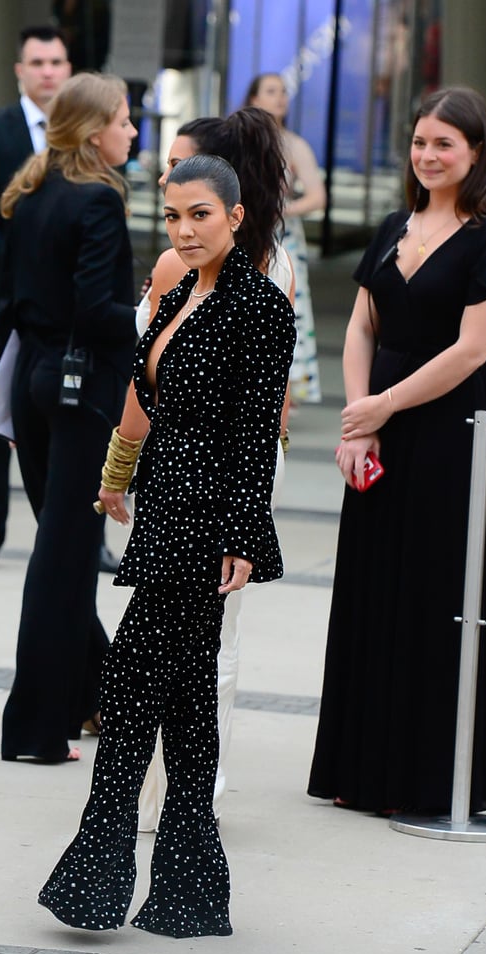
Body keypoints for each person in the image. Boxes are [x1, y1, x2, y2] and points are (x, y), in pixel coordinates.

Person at [37, 154, 296, 937]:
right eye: (174, 216)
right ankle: (187, 892)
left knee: (131, 687)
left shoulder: (259, 307)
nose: (184, 230)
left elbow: (258, 430)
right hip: (165, 505)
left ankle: (103, 877)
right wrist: (119, 475)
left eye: (200, 216)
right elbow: (147, 398)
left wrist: (245, 533)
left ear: (236, 217)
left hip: (205, 516)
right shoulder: (180, 291)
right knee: (181, 704)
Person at [307, 86, 486, 817]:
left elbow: (469, 353)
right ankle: (360, 770)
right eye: (420, 142)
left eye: (444, 145)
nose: (428, 156)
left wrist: (384, 406)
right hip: (380, 425)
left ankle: (425, 780)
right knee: (370, 590)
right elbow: (361, 326)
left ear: (474, 155)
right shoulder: (393, 225)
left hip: (445, 434)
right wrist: (358, 421)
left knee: (432, 601)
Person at [134, 109, 293, 830]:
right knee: (212, 638)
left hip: (196, 474)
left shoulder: (186, 267)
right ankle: (199, 792)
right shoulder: (277, 261)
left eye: (181, 168)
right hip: (248, 469)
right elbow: (276, 402)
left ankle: (178, 798)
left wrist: (116, 469)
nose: (168, 182)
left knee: (174, 638)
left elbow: (148, 387)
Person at [0, 73, 138, 765]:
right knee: (65, 561)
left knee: (60, 551)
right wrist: (151, 316)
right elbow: (94, 310)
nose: (132, 132)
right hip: (81, 391)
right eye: (124, 121)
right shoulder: (97, 201)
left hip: (32, 382)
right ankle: (33, 726)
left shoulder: (32, 194)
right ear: (93, 132)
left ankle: (97, 697)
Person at [0, 26, 72, 571]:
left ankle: (79, 533)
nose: (48, 71)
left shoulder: (83, 138)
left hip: (66, 311)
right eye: (38, 61)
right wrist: (26, 267)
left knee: (72, 423)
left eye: (56, 61)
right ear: (19, 70)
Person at [245, 72, 326, 403]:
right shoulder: (238, 140)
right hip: (243, 233)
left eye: (283, 92)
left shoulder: (293, 144)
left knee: (285, 309)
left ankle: (284, 391)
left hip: (282, 236)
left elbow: (316, 197)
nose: (279, 97)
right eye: (270, 91)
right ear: (253, 99)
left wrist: (280, 210)